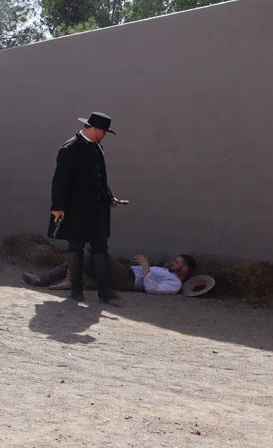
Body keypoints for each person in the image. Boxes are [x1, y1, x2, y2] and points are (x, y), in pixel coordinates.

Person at [49, 111, 127, 304]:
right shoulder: (70, 148)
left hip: (97, 208)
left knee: (101, 247)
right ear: (95, 129)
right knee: (75, 246)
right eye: (104, 131)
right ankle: (76, 290)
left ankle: (104, 291)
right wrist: (58, 207)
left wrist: (109, 197)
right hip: (76, 208)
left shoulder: (97, 147)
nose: (105, 135)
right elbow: (60, 180)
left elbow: (100, 178)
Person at [23, 253, 198, 294]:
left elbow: (152, 289)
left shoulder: (175, 284)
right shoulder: (167, 272)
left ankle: (72, 281)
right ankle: (41, 279)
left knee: (95, 249)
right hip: (126, 273)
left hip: (127, 279)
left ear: (184, 270)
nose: (172, 263)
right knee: (79, 256)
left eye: (177, 263)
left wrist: (145, 266)